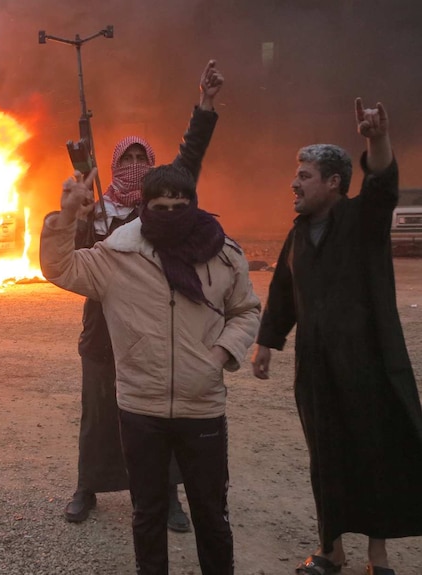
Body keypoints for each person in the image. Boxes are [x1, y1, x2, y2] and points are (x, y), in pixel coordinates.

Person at [41, 162, 261, 574]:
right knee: (147, 515)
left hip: (203, 408)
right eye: (160, 207)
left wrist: (218, 357)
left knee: (212, 516)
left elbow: (246, 311)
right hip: (141, 408)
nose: (171, 216)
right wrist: (67, 216)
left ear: (195, 205)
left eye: (181, 207)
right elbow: (60, 268)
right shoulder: (118, 254)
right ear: (144, 207)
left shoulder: (223, 254)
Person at [251, 99, 422, 575]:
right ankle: (331, 551)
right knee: (326, 457)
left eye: (304, 175)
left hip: (367, 365)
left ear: (333, 183)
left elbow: (384, 184)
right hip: (317, 368)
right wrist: (267, 341)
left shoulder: (362, 221)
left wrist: (376, 139)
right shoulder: (299, 233)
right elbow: (284, 292)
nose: (294, 183)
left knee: (374, 452)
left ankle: (378, 557)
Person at [65, 60, 225, 533]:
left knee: (161, 417)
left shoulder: (164, 209)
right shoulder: (99, 209)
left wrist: (205, 105)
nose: (135, 166)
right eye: (127, 159)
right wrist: (80, 216)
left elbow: (190, 156)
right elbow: (76, 266)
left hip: (155, 332)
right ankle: (87, 486)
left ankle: (168, 495)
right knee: (98, 412)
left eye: (142, 158)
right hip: (103, 334)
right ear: (114, 165)